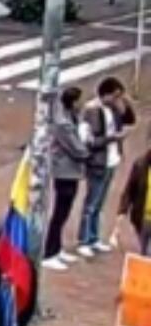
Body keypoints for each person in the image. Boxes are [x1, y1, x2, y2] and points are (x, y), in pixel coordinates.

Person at [78, 77, 132, 256]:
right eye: (115, 96)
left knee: (100, 203)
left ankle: (94, 238)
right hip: (98, 162)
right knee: (91, 203)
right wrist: (113, 138)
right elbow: (90, 141)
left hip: (111, 159)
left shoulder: (113, 108)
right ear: (105, 94)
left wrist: (125, 102)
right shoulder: (91, 110)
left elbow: (130, 119)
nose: (117, 100)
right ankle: (84, 239)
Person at [45, 85, 91, 270]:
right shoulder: (63, 124)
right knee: (60, 212)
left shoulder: (72, 117)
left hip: (72, 171)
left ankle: (57, 248)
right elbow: (75, 147)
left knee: (65, 212)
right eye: (80, 100)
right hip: (64, 172)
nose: (83, 104)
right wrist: (87, 152)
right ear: (73, 102)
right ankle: (49, 252)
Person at [118, 137, 151, 256]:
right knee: (144, 253)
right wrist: (122, 211)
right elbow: (130, 189)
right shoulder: (140, 164)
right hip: (143, 218)